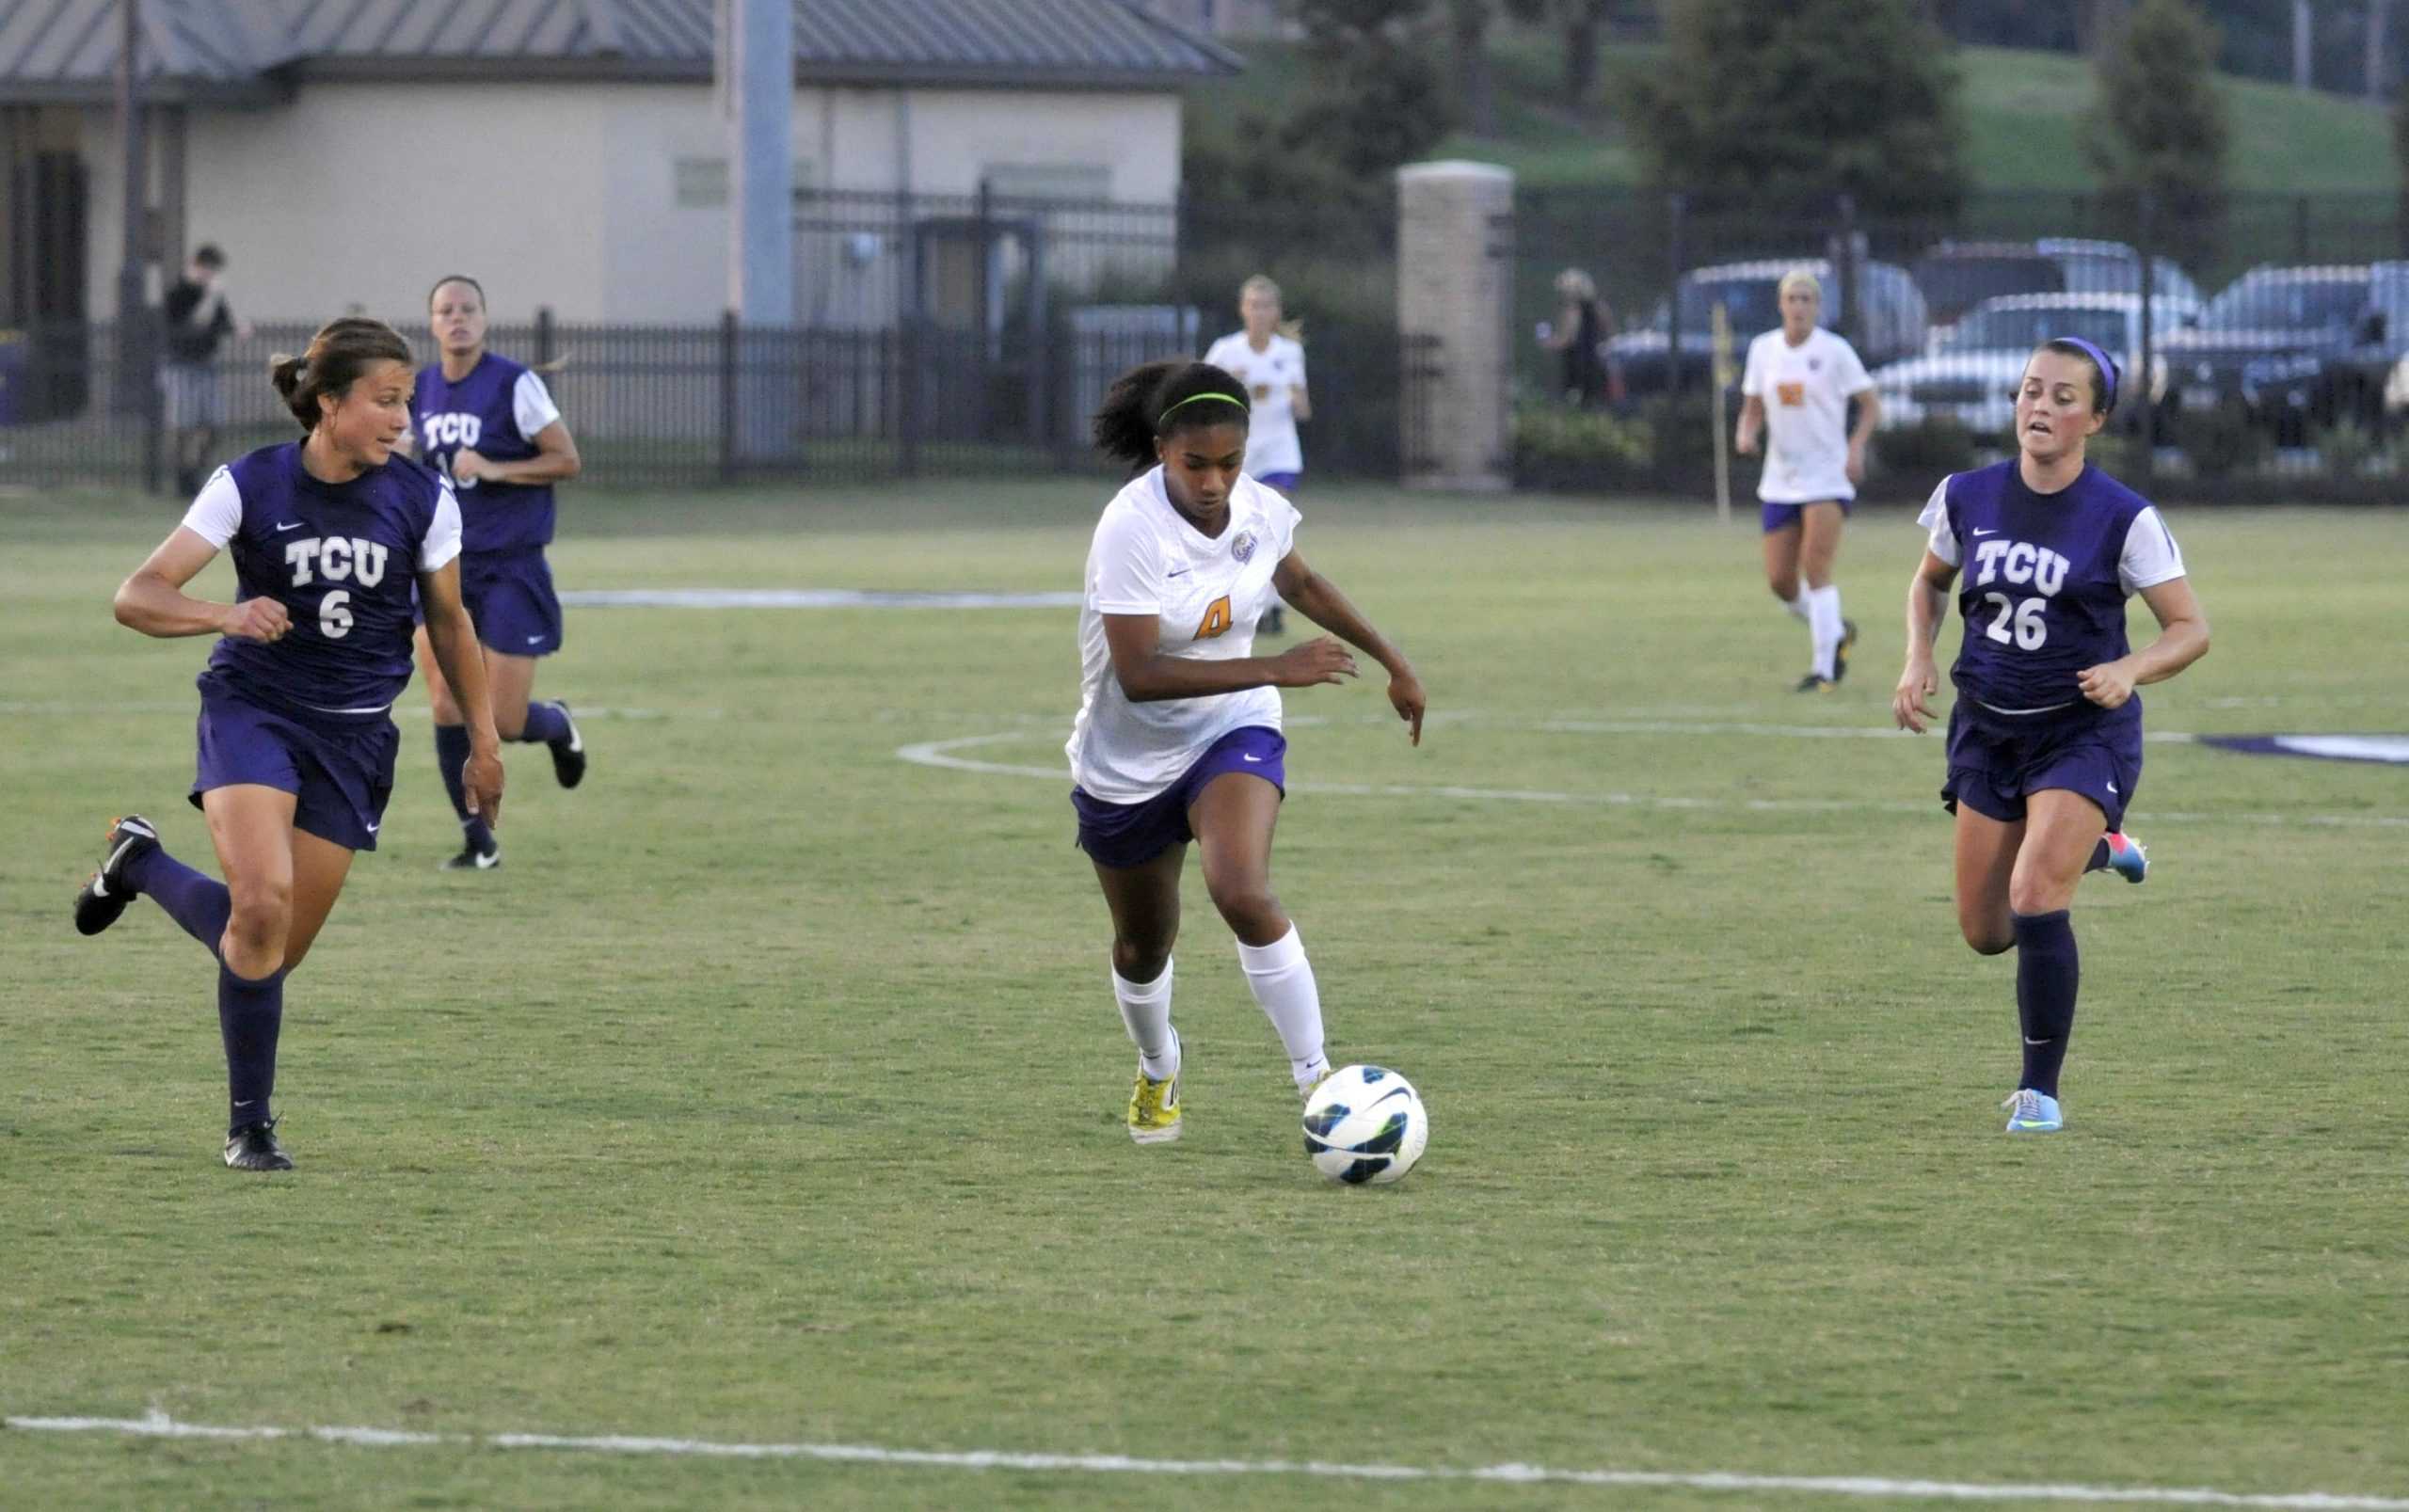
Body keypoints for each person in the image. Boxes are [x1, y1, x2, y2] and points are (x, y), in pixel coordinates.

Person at [72, 316, 504, 1170]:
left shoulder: (422, 497)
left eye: (406, 403)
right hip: (254, 711)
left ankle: (141, 865)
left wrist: (485, 743)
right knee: (261, 908)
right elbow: (137, 594)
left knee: (265, 947)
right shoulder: (249, 484)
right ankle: (250, 1127)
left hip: (354, 740)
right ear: (330, 403)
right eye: (385, 402)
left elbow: (451, 623)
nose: (401, 420)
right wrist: (224, 612)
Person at [1072, 358, 1425, 1146]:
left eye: (1230, 464)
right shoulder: (1128, 529)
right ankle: (1159, 1063)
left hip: (1231, 726)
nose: (1215, 483)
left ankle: (1320, 1082)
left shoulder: (1258, 509)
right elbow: (1137, 675)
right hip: (1126, 761)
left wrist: (1394, 660)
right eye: (1197, 465)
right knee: (1141, 945)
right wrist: (1277, 664)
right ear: (1162, 449)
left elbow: (1301, 582)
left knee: (1241, 887)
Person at [1891, 336, 2209, 1135]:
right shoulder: (1966, 494)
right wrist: (1917, 657)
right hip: (1988, 729)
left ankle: (2040, 1093)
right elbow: (1929, 584)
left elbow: (2190, 629)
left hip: (2081, 733)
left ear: (2095, 418)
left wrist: (2132, 669)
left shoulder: (2123, 516)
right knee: (1986, 929)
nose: (2041, 407)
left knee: (2035, 897)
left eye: (2065, 397)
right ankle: (2101, 850)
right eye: (2032, 390)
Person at [407, 276, 585, 871]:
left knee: (505, 721)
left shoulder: (515, 384)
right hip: (440, 567)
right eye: (445, 310)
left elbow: (566, 459)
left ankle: (556, 723)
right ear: (432, 323)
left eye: (468, 309)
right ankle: (479, 841)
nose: (457, 319)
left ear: (485, 318)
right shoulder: (419, 389)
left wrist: (495, 467)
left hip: (510, 563)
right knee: (445, 702)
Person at [1734, 268, 1877, 692]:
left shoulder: (1835, 351)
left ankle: (1824, 671)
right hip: (1780, 477)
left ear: (1817, 307)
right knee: (1780, 581)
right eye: (1791, 299)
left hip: (1826, 476)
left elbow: (1869, 404)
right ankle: (1835, 630)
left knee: (1816, 568)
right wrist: (1746, 431)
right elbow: (1753, 406)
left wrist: (1855, 447)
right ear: (1780, 305)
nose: (1798, 307)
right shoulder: (1763, 350)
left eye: (1806, 299)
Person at [1203, 276, 1309, 635]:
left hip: (1279, 450)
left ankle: (1273, 608)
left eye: (1266, 306)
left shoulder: (1289, 352)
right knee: (1239, 531)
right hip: (1238, 453)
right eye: (1253, 305)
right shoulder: (1225, 351)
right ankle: (1243, 605)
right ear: (1242, 309)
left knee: (1270, 527)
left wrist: (1297, 402)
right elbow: (1201, 398)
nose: (1260, 313)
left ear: (1276, 312)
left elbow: (1303, 407)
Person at [160, 245, 252, 497]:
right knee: (183, 424)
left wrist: (237, 327)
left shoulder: (212, 295)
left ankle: (195, 471)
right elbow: (197, 322)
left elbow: (221, 322)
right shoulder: (179, 293)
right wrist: (210, 296)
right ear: (196, 266)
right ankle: (180, 478)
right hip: (181, 365)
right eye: (208, 269)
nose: (211, 275)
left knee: (213, 423)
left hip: (207, 365)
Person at [1537, 267, 1617, 407]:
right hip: (1597, 365)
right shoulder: (1599, 307)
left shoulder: (1573, 310)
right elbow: (1609, 333)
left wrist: (1547, 343)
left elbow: (1567, 340)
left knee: (1575, 403)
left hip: (1577, 366)